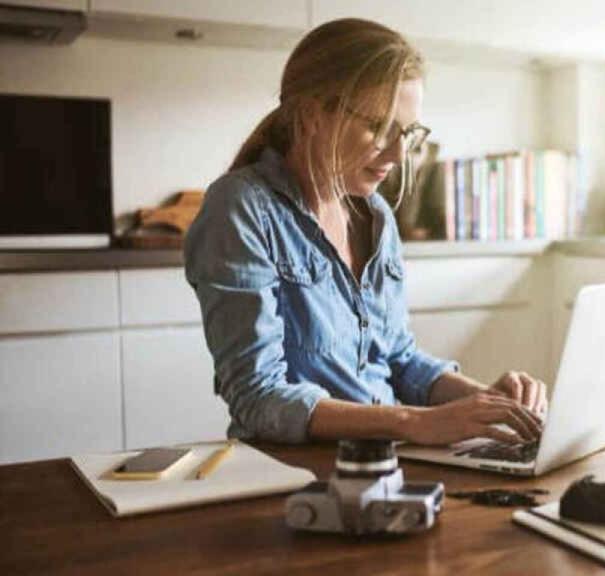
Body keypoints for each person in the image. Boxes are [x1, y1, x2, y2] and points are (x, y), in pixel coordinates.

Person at [184, 18, 546, 447]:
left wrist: (488, 402)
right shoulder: (242, 208)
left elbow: (398, 360)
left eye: (406, 133)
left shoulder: (375, 216)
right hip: (292, 470)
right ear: (313, 113)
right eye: (378, 127)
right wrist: (413, 422)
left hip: (387, 460)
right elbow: (257, 396)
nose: (397, 154)